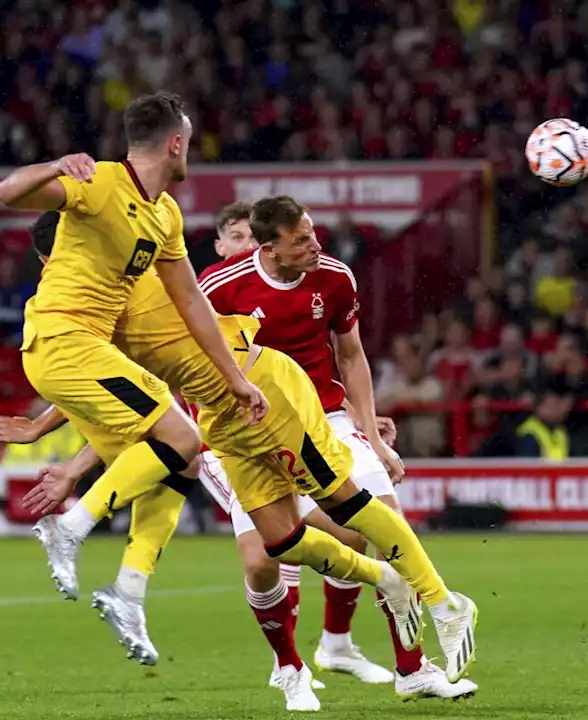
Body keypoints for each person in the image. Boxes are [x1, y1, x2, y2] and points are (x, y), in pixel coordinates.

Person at [0, 91, 269, 620]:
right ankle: (68, 528)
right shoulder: (98, 182)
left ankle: (129, 592)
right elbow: (7, 192)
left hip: (89, 353)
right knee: (183, 437)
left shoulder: (164, 215)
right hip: (62, 338)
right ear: (176, 143)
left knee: (179, 456)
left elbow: (192, 302)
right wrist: (57, 164)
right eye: (189, 142)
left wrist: (233, 378)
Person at [198, 198, 477, 699]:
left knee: (381, 516)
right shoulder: (220, 287)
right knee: (264, 561)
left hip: (326, 417)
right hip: (249, 427)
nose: (315, 245)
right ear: (270, 248)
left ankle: (412, 666)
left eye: (313, 233)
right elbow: (192, 361)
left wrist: (370, 434)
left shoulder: (335, 278)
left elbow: (352, 356)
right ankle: (290, 665)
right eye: (301, 239)